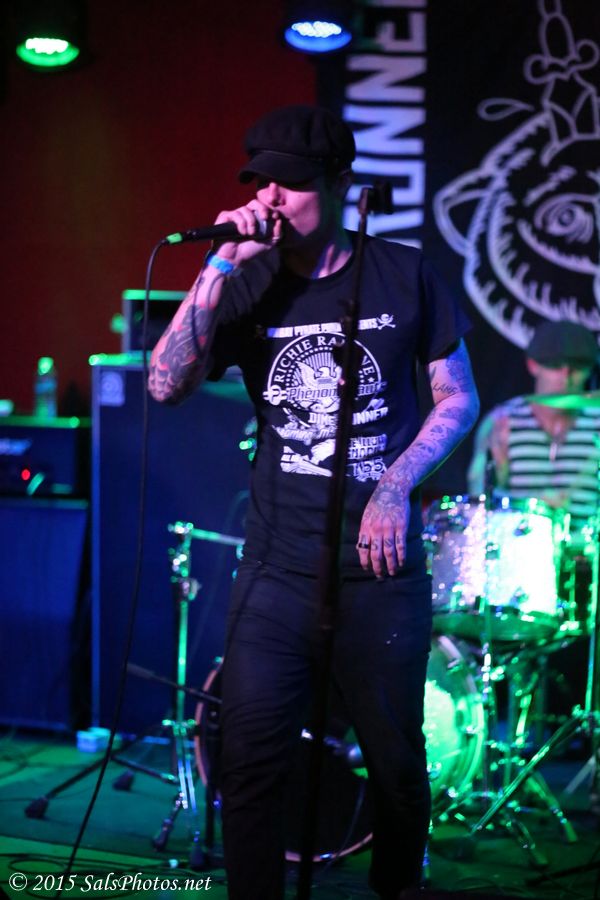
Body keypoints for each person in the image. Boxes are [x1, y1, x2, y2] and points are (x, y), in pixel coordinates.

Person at [149, 104, 480, 900]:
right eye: (258, 180)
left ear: (338, 185)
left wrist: (394, 485)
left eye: (289, 183)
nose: (269, 196)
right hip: (276, 569)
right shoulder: (249, 284)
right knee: (250, 761)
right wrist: (219, 264)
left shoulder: (402, 274)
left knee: (396, 769)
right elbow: (163, 384)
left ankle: (395, 889)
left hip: (379, 572)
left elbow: (457, 397)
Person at [467, 320, 600, 532]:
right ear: (533, 365)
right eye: (555, 366)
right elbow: (478, 500)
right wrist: (500, 475)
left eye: (576, 367)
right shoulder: (502, 421)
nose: (565, 377)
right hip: (519, 544)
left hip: (585, 547)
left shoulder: (597, 422)